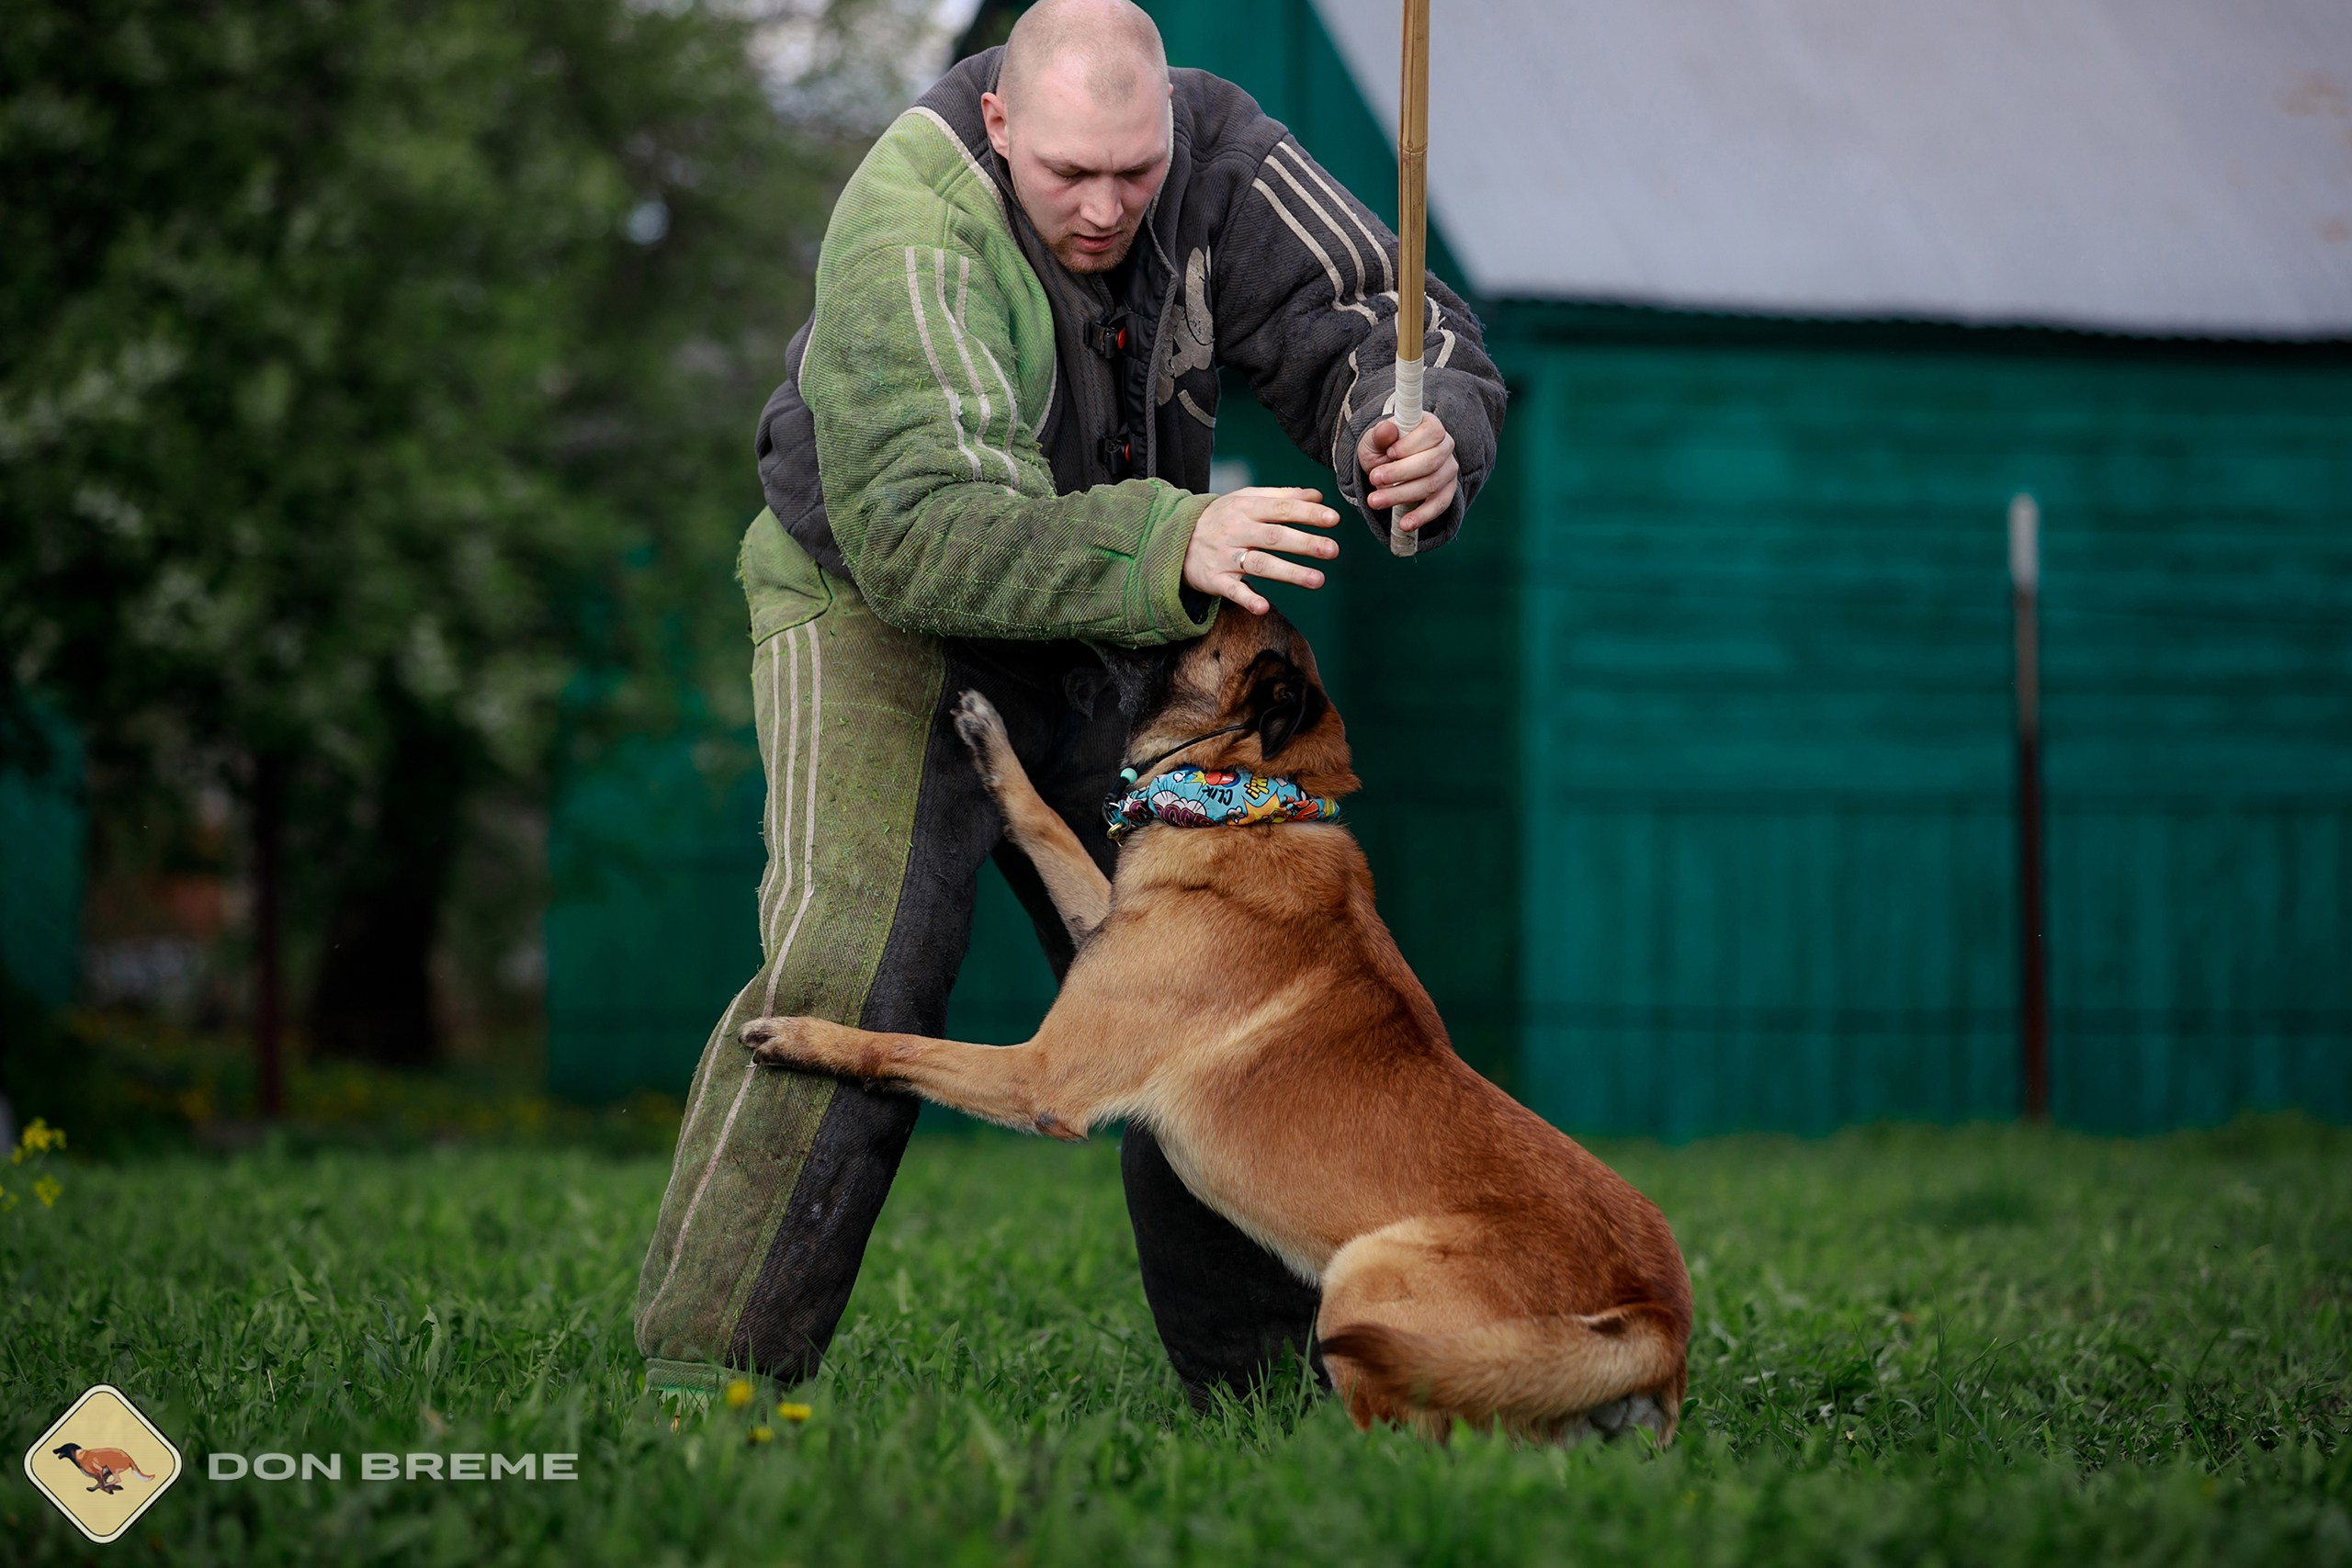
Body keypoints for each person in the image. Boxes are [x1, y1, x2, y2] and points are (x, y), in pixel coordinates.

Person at [633, 0, 1506, 1407]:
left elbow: (1383, 319)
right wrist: (1169, 547)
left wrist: (1416, 434)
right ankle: (707, 1384)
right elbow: (922, 528)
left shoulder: (1219, 153)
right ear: (998, 123)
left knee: (1226, 973)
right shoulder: (913, 219)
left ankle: (1267, 1400)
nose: (1105, 208)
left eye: (1134, 173)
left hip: (1117, 623)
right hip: (879, 606)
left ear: (1169, 129)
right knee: (859, 964)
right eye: (1066, 176)